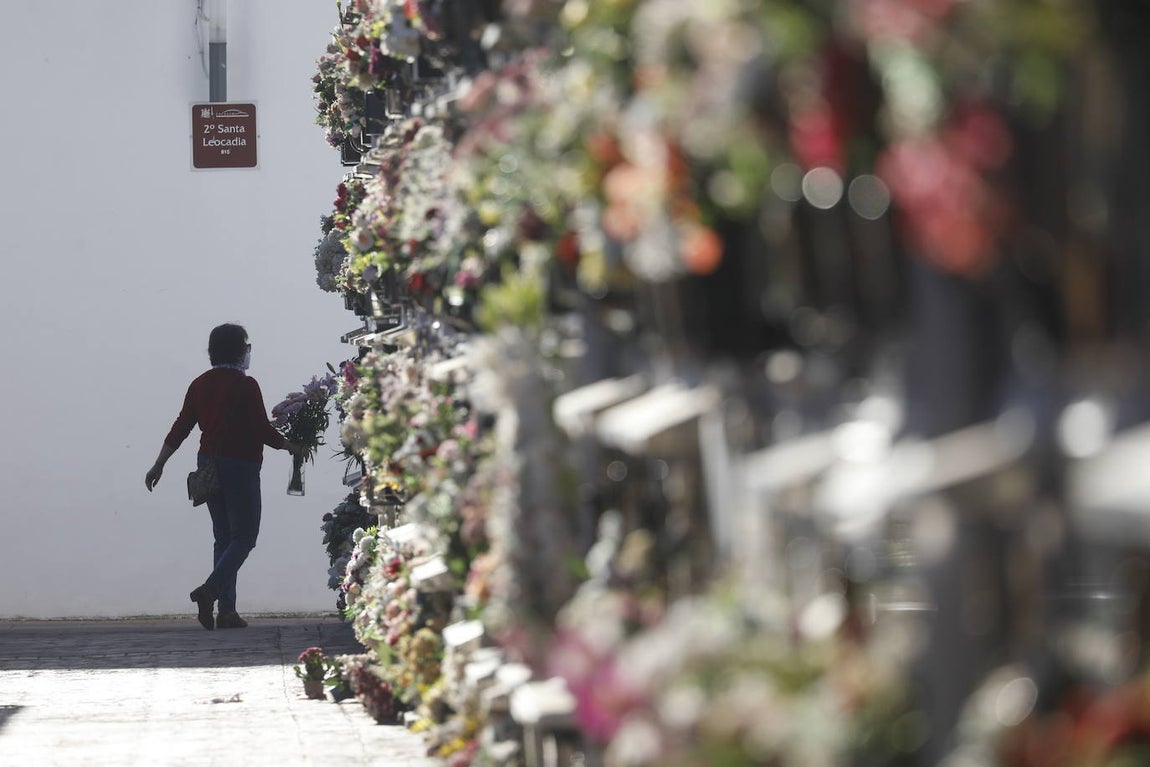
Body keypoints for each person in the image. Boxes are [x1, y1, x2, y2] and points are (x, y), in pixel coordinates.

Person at [144, 323, 304, 630]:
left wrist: (159, 464)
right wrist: (290, 446)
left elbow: (181, 427)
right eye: (245, 346)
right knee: (244, 538)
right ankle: (211, 591)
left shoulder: (199, 384)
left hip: (208, 464)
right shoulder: (246, 385)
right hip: (240, 465)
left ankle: (227, 612)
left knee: (223, 537)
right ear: (239, 350)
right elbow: (260, 429)